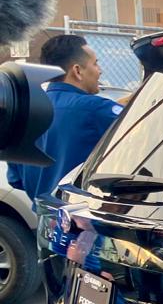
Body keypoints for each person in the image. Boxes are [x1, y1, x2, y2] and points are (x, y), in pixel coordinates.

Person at [6, 35, 126, 204]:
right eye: (95, 63)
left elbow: (15, 179)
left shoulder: (23, 113)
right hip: (83, 222)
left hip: (46, 221)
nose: (100, 70)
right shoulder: (95, 109)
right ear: (77, 71)